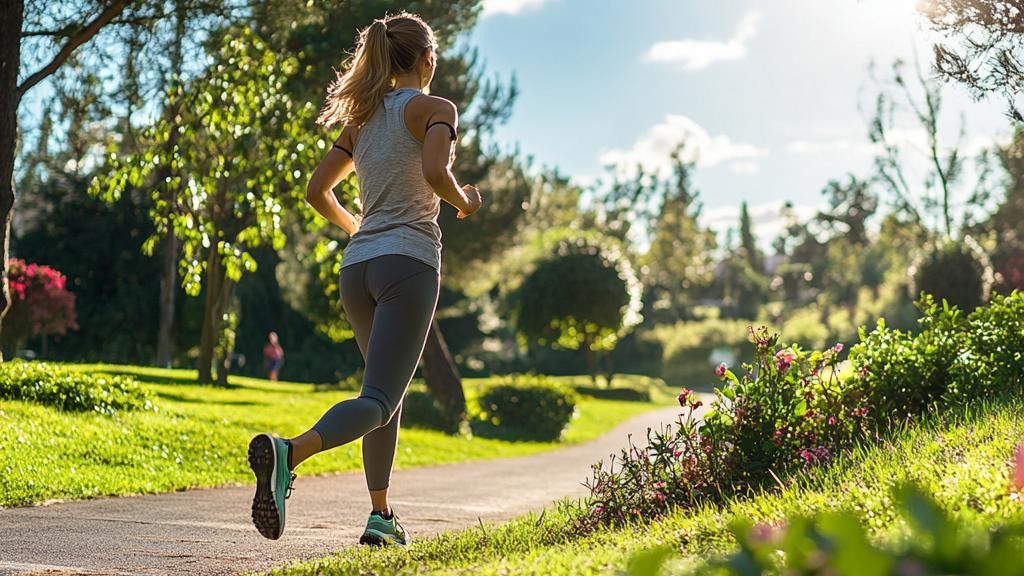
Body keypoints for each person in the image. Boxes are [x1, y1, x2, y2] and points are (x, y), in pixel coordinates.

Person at [246, 12, 482, 546]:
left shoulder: (362, 120)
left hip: (357, 267)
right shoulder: (435, 109)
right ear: (426, 60)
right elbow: (434, 173)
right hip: (409, 265)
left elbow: (316, 190)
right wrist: (465, 201)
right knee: (378, 399)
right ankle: (290, 453)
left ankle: (381, 515)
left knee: (383, 397)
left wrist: (359, 228)